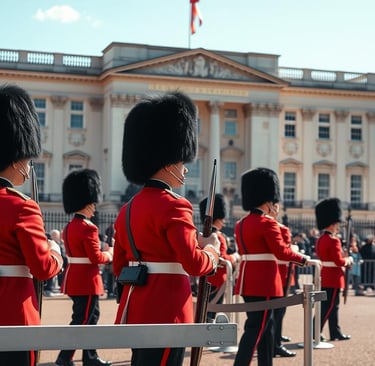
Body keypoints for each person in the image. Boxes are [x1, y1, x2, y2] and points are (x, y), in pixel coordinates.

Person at [113, 91, 220, 366]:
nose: (185, 169)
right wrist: (212, 251)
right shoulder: (175, 205)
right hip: (167, 308)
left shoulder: (128, 208)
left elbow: (118, 266)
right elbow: (194, 264)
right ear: (171, 162)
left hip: (136, 307)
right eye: (182, 162)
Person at [0, 84, 64, 366]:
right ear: (16, 159)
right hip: (14, 314)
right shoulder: (22, 206)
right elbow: (42, 268)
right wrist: (55, 251)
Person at [233, 167, 314, 366]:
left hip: (246, 281)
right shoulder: (267, 224)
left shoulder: (241, 223)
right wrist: (304, 258)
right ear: (268, 200)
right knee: (256, 330)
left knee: (266, 328)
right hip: (264, 283)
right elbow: (281, 252)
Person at [55, 169, 113, 366]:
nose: (95, 208)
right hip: (87, 281)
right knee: (87, 321)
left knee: (82, 319)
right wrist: (110, 254)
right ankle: (86, 358)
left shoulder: (69, 227)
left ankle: (69, 357)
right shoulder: (89, 227)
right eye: (93, 204)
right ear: (88, 204)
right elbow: (96, 258)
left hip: (74, 277)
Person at [315, 197, 353, 342]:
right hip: (333, 278)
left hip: (325, 275)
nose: (338, 226)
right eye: (336, 224)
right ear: (332, 224)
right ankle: (315, 332)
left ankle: (334, 331)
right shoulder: (333, 240)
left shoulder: (321, 239)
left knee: (330, 307)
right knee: (329, 307)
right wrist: (348, 259)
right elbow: (338, 261)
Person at [199, 193, 240, 322]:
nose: (224, 221)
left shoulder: (206, 233)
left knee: (206, 311)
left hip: (208, 278)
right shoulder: (217, 236)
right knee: (211, 313)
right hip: (217, 280)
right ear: (218, 217)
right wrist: (235, 257)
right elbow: (221, 258)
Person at [269, 203, 298, 358]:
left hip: (277, 273)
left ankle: (276, 338)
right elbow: (285, 250)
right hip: (281, 274)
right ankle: (276, 343)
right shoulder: (281, 229)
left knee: (276, 312)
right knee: (278, 312)